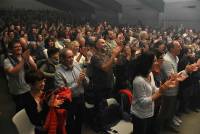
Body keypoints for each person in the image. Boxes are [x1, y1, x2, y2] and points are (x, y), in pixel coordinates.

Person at [130, 51, 178, 134]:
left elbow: (154, 89)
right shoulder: (138, 80)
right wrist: (160, 91)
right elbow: (143, 102)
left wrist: (165, 86)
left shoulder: (150, 74)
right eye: (154, 61)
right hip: (140, 115)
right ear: (147, 63)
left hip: (149, 111)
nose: (157, 63)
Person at [54, 48, 89, 134]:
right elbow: (62, 91)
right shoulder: (58, 72)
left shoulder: (76, 64)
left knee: (80, 119)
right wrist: (77, 83)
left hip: (81, 97)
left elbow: (87, 81)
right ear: (62, 59)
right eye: (68, 57)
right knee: (70, 123)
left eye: (72, 57)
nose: (72, 59)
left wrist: (84, 79)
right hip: (69, 101)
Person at [4, 40, 37, 112]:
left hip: (28, 87)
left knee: (32, 107)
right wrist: (23, 59)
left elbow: (35, 68)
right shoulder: (7, 61)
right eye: (16, 47)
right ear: (10, 49)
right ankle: (19, 122)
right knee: (21, 110)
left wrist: (29, 59)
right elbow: (13, 72)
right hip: (18, 91)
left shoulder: (26, 56)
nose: (19, 48)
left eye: (19, 46)